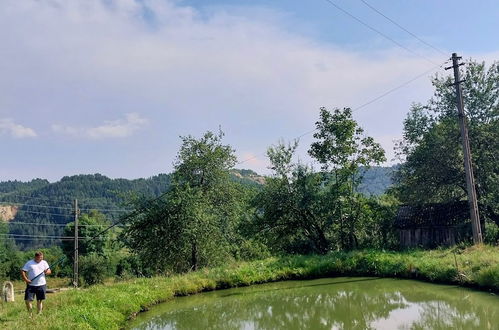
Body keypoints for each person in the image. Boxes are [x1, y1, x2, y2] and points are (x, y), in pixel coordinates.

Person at [21, 251, 51, 317]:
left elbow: (49, 271)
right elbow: (23, 271)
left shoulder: (44, 262)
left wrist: (46, 272)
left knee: (39, 300)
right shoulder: (29, 263)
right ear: (35, 257)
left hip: (42, 284)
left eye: (42, 257)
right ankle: (30, 314)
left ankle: (39, 314)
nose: (41, 259)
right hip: (31, 285)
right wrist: (26, 279)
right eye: (39, 258)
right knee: (27, 300)